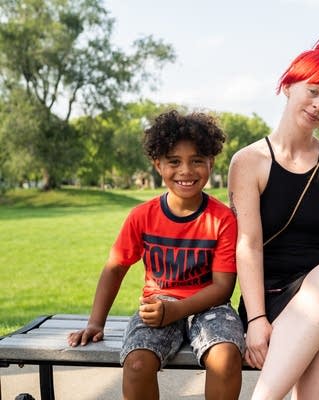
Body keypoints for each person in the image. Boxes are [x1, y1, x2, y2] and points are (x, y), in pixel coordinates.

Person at [227, 28, 319, 400]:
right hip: (271, 296)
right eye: (313, 91)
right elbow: (248, 245)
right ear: (288, 85)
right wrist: (257, 319)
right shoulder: (248, 162)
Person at [67, 110, 245, 400]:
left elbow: (222, 287)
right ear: (157, 164)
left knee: (225, 358)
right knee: (136, 364)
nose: (186, 171)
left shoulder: (222, 219)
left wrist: (177, 310)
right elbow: (115, 268)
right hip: (158, 305)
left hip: (211, 308)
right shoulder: (142, 217)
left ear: (211, 162)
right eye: (174, 162)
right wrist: (95, 323)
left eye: (197, 160)